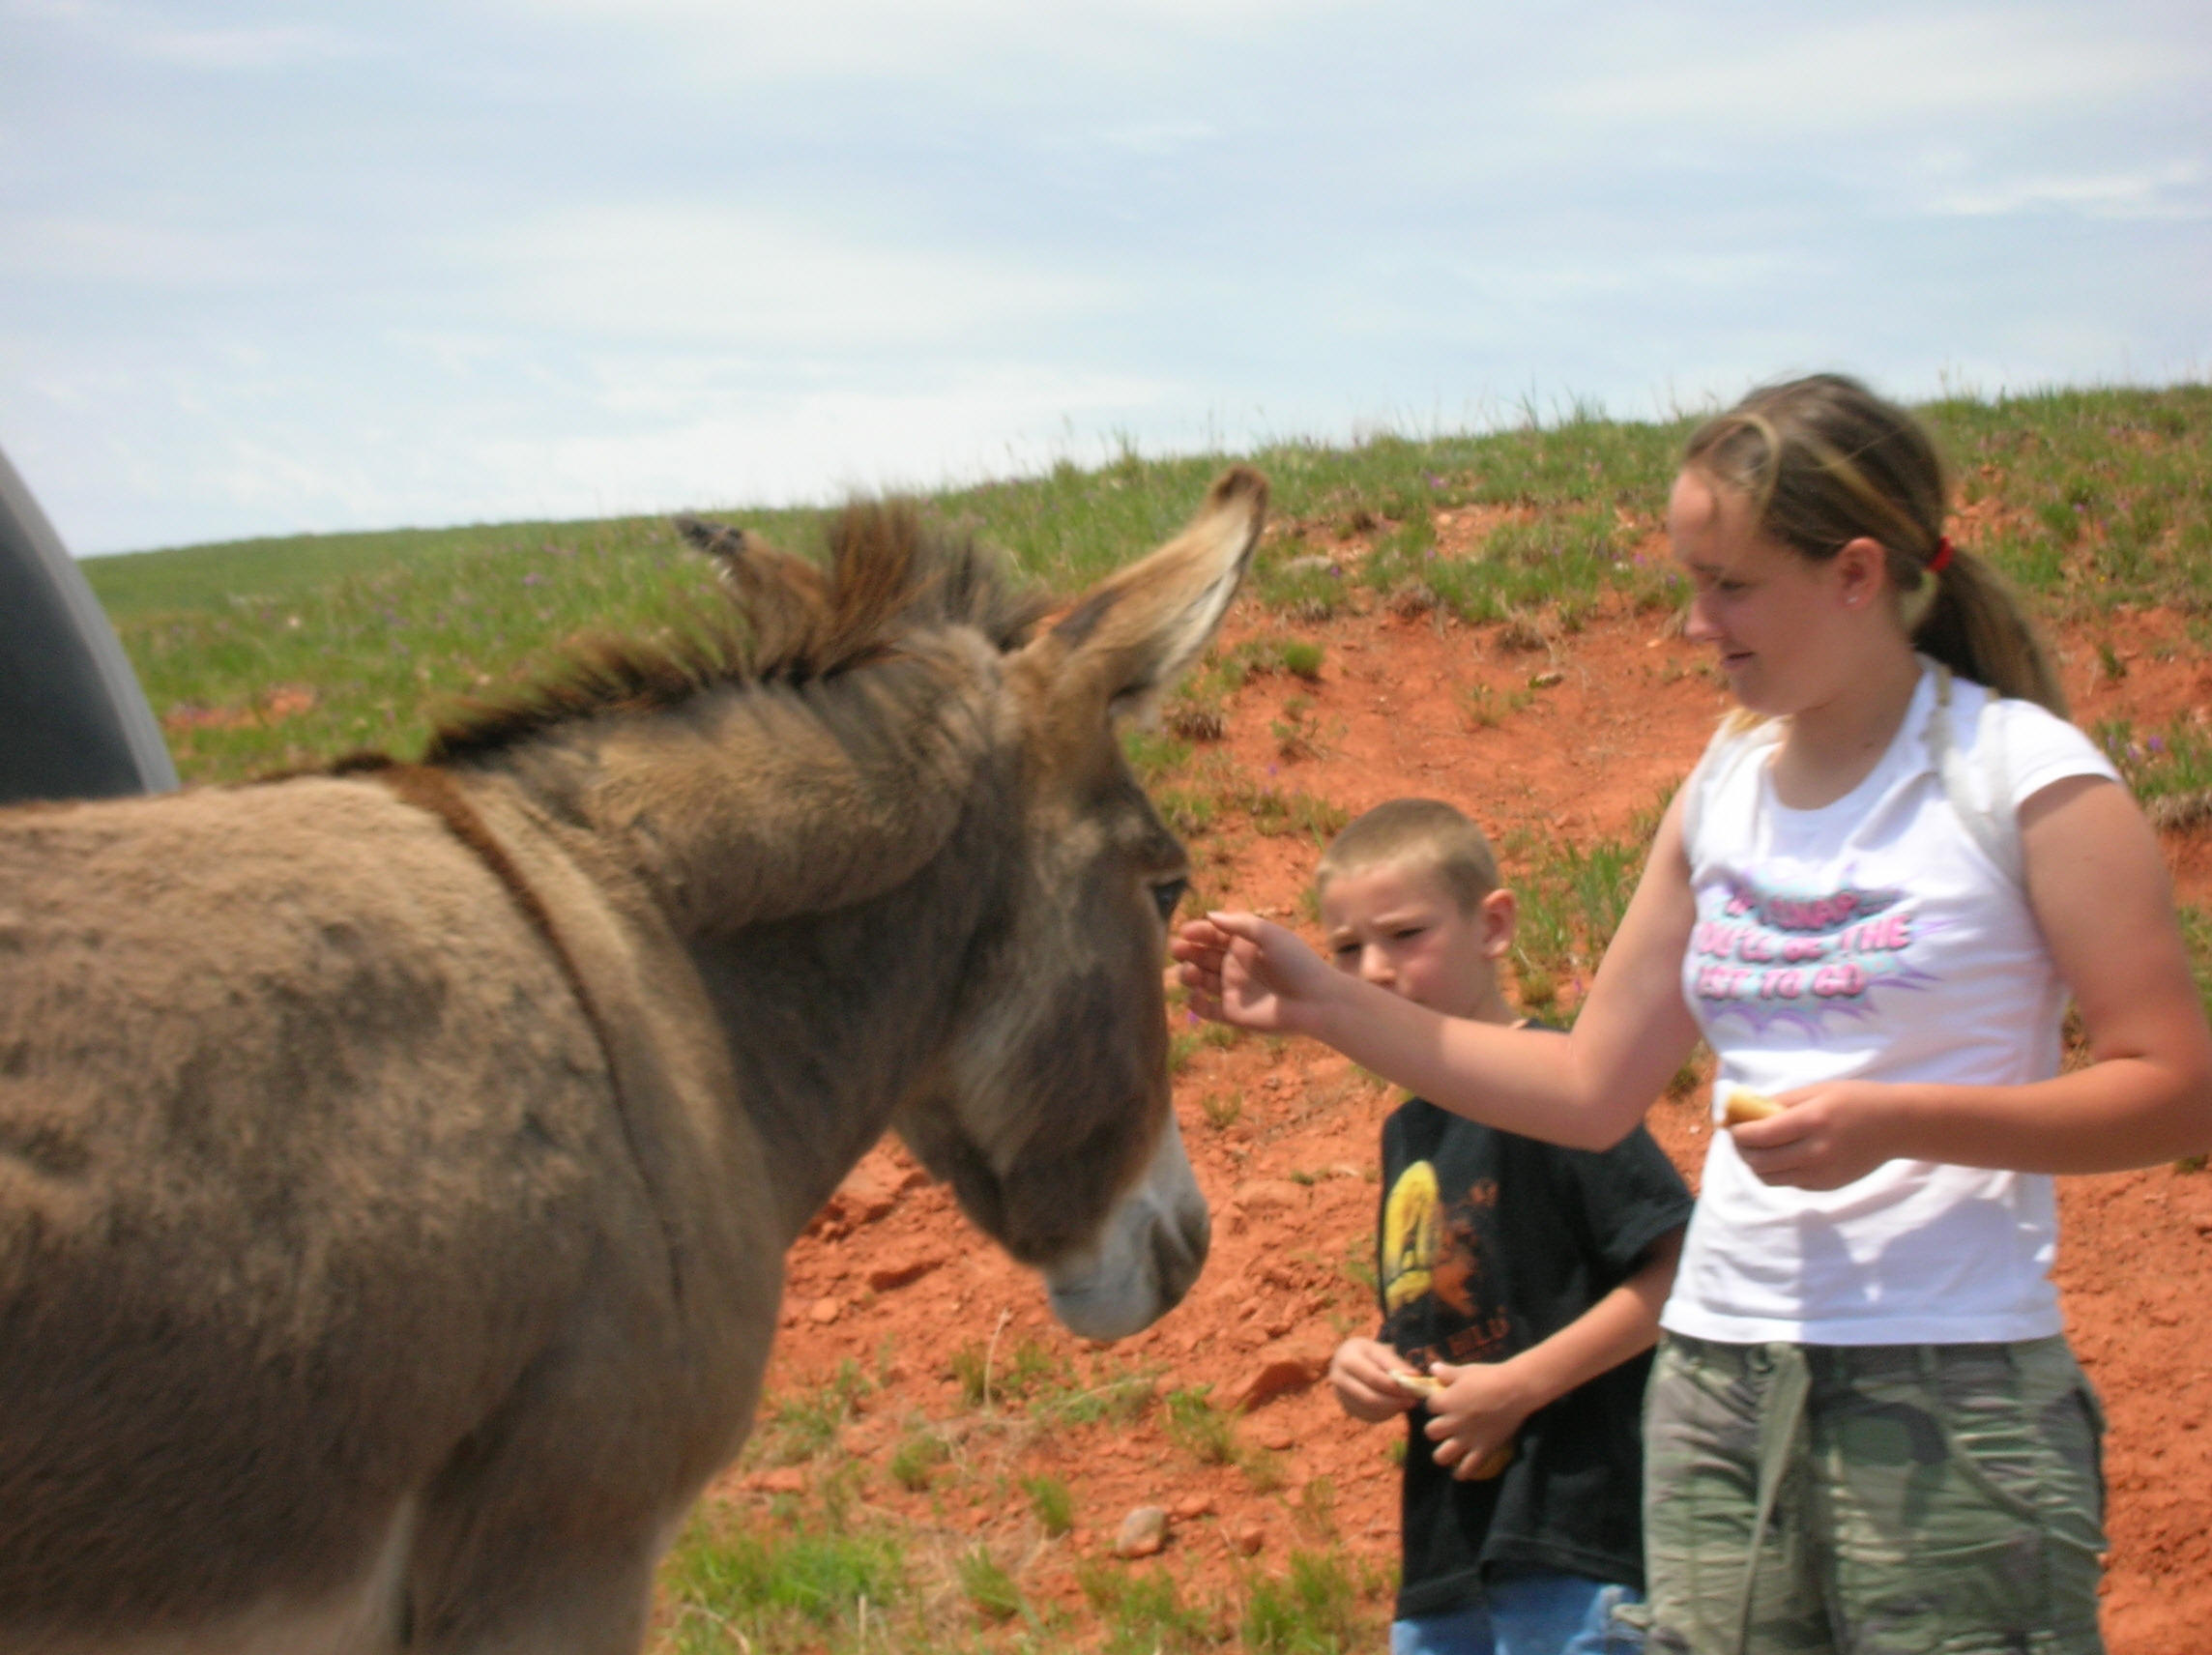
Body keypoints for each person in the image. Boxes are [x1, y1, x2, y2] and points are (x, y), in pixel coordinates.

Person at [1175, 373, 2212, 1655]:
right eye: (1689, 580)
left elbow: (2172, 1086)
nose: (1690, 624)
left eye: (1727, 585)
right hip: (1717, 1388)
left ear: (1855, 575)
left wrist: (1898, 1120)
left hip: (1952, 1386)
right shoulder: (1722, 791)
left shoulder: (2026, 780)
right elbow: (1586, 1086)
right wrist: (1326, 1002)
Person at [1314, 798, 1691, 1655]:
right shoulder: (1406, 1132)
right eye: (1345, 949)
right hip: (1450, 1559)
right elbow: (1450, 1298)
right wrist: (1369, 1365)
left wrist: (1522, 1387)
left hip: (1575, 1540)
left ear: (1494, 925)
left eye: (1405, 935)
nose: (1372, 970)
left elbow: (1682, 1272)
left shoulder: (1560, 1091)